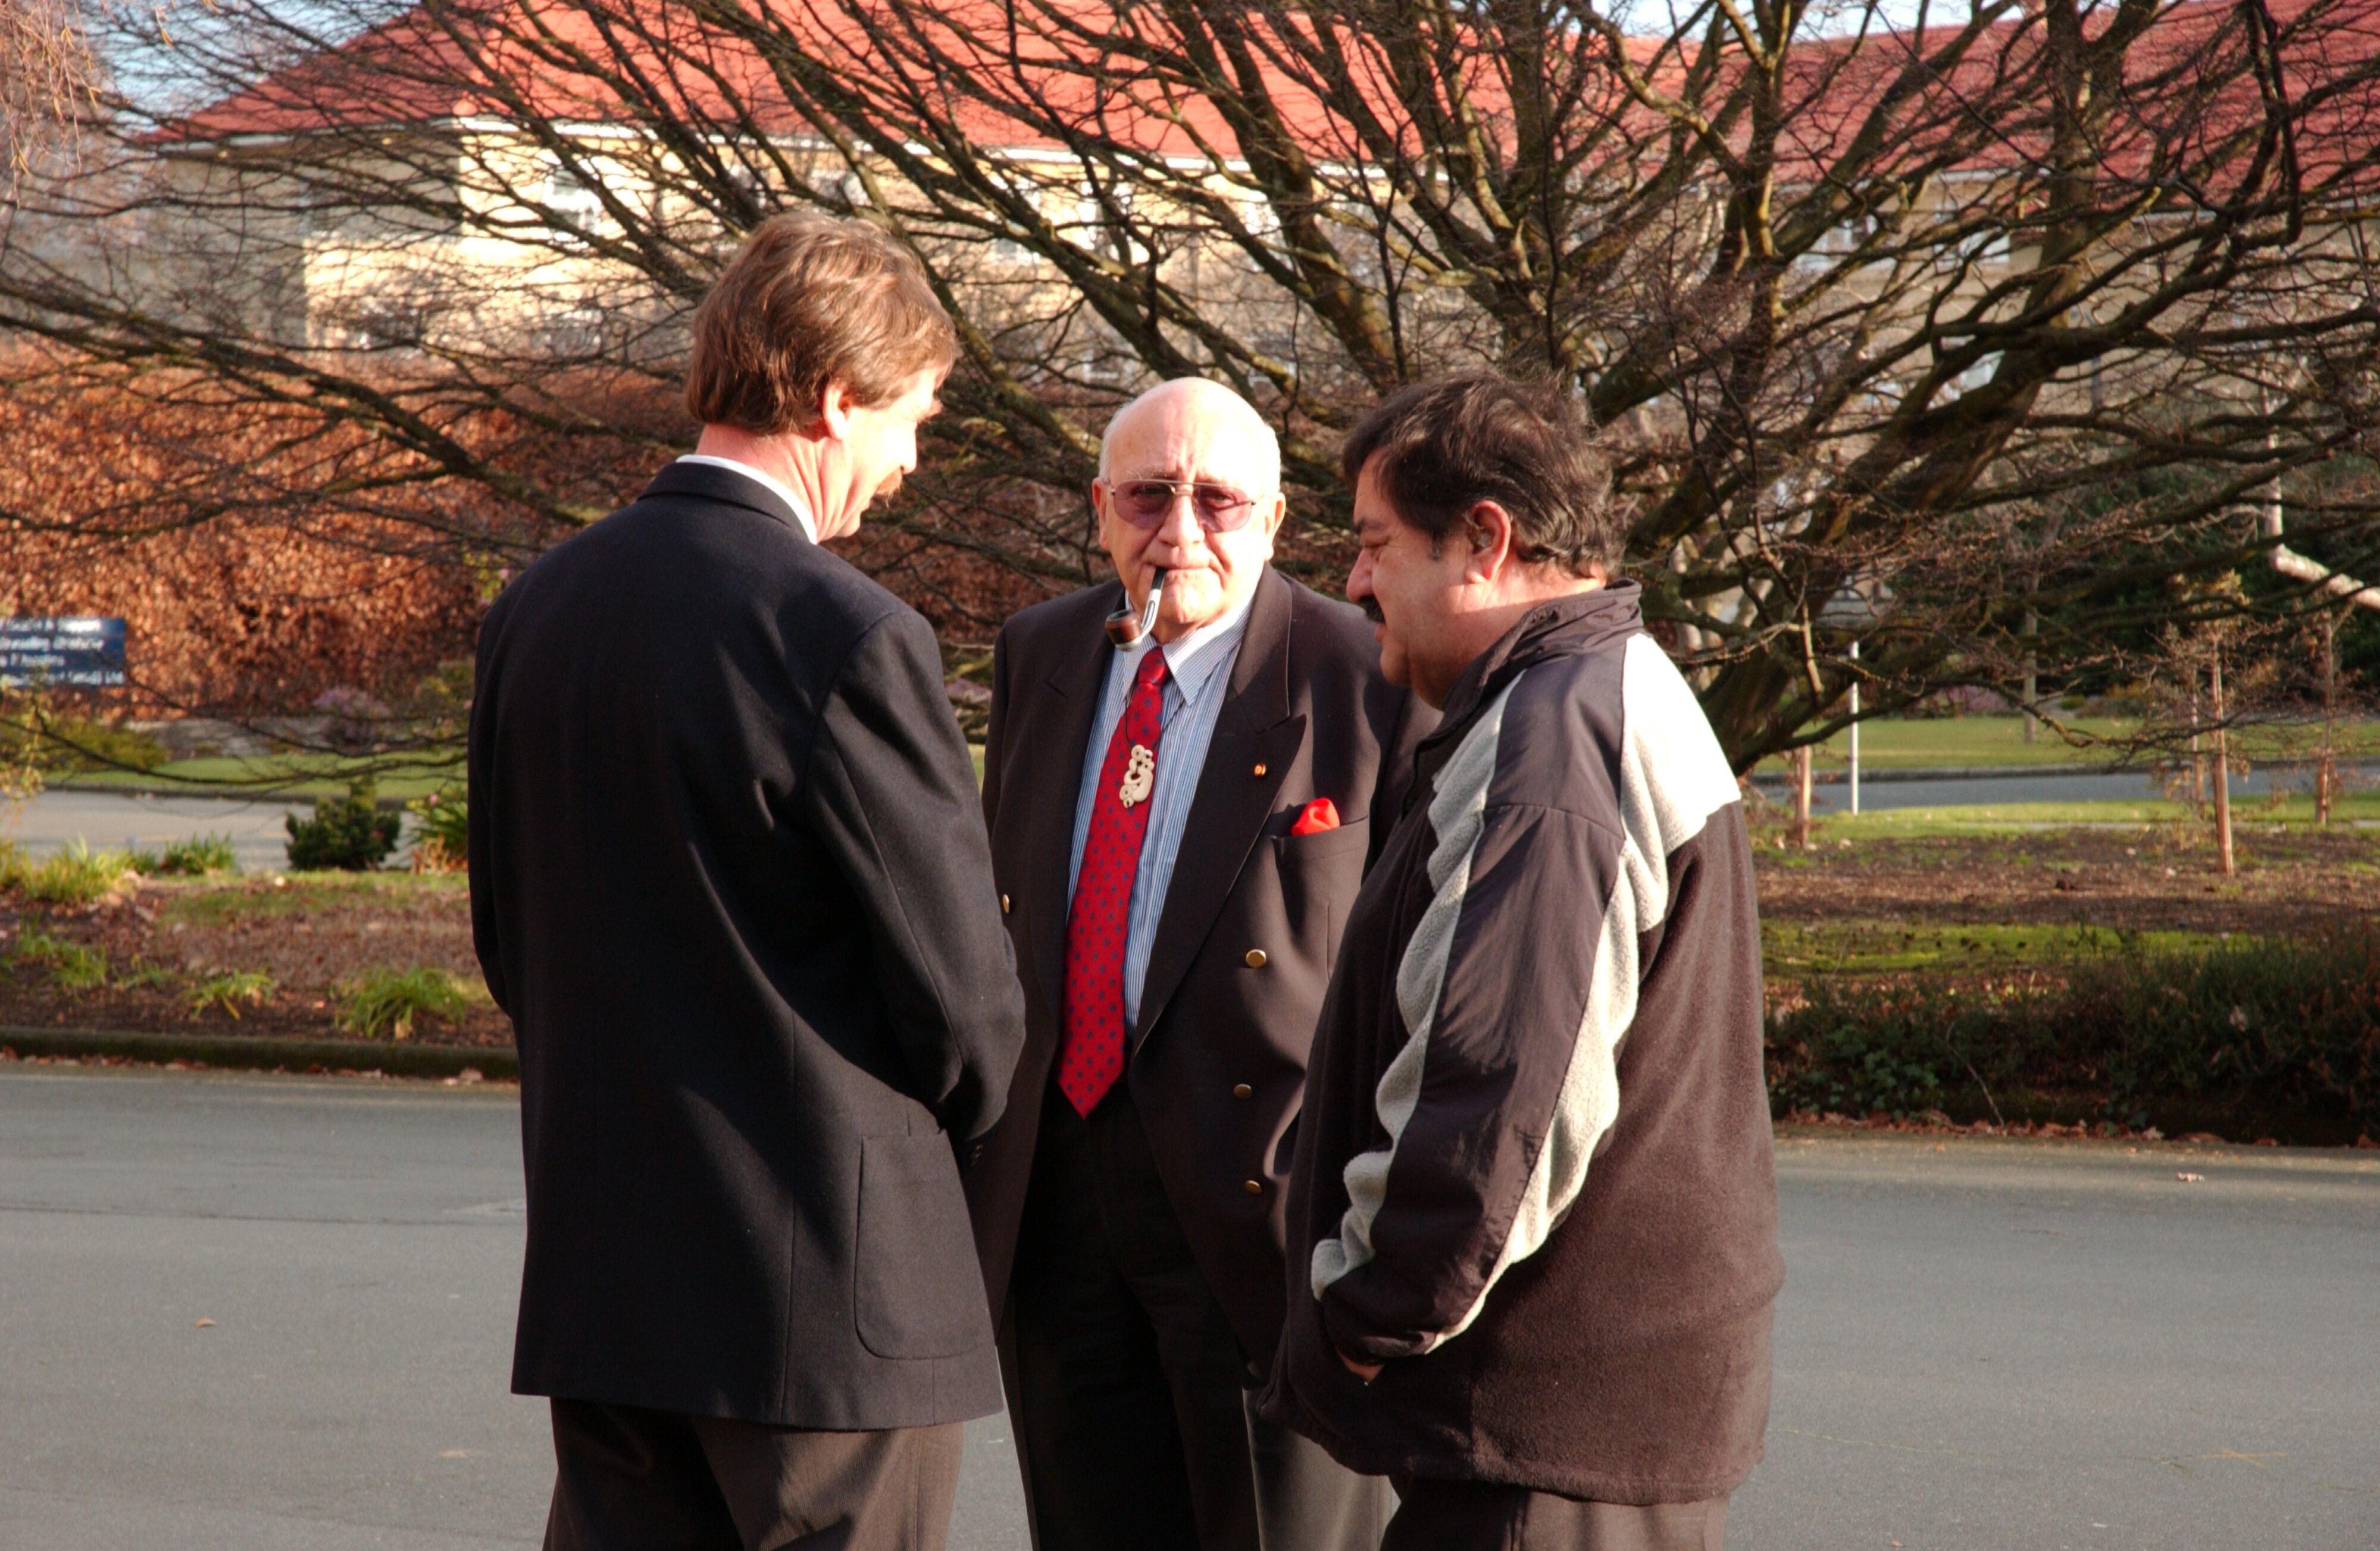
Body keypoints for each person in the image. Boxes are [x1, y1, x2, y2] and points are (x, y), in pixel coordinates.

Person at [468, 212, 1026, 1551]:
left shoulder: (535, 608)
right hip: (830, 1306)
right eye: (912, 419)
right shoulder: (845, 634)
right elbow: (965, 1010)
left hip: (606, 1278)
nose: (906, 464)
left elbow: (507, 942)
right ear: (837, 398)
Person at [1262, 370, 1782, 1551]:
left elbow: (1498, 1094)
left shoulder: (1548, 741)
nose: (1351, 583)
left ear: (1483, 542)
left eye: (1375, 543)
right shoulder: (1605, 691)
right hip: (1590, 1436)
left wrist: (1363, 1307)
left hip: (1538, 1450)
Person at [965, 378, 1430, 1551]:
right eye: (1145, 496)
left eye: (1216, 499)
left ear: (1274, 519)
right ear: (1097, 508)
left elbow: (1426, 968)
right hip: (1057, 1197)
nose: (1177, 530)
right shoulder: (1040, 652)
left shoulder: (1362, 674)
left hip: (1265, 1202)